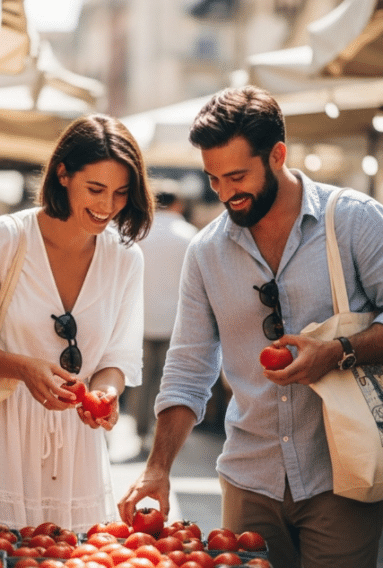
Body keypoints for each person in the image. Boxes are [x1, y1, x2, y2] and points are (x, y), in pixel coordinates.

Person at [118, 85, 383, 568]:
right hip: (249, 481)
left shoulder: (353, 222)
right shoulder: (205, 252)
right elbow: (189, 365)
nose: (224, 194)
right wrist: (157, 468)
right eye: (213, 179)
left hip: (343, 474)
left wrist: (337, 350)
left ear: (277, 154)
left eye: (237, 176)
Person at [0, 113, 154, 531]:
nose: (107, 207)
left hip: (79, 455)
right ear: (63, 174)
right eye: (96, 189)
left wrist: (105, 394)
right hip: (5, 439)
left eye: (121, 193)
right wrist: (21, 368)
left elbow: (119, 355)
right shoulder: (8, 240)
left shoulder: (125, 259)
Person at [126, 178, 198, 457]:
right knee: (170, 380)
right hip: (177, 322)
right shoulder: (190, 236)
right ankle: (163, 434)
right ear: (178, 204)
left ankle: (140, 432)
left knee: (139, 379)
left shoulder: (139, 234)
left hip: (140, 319)